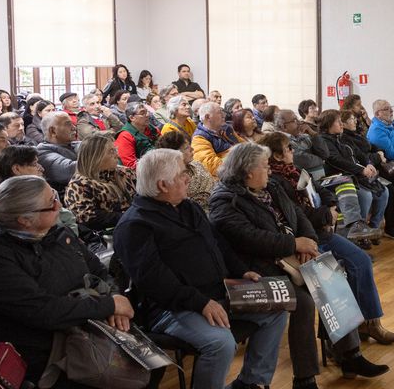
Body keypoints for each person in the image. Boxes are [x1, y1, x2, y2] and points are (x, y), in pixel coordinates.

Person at [209, 144, 389, 388]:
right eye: (264, 167)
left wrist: (310, 243)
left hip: (291, 258)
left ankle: (350, 356)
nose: (269, 172)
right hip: (256, 269)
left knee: (330, 277)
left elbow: (298, 215)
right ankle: (304, 379)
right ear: (247, 171)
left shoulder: (270, 187)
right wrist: (294, 244)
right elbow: (251, 238)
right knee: (303, 301)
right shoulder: (225, 201)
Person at [114, 149, 288, 389]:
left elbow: (218, 244)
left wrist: (240, 271)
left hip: (217, 293)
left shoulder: (188, 207)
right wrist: (201, 303)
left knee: (276, 310)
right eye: (183, 173)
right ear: (163, 185)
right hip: (172, 308)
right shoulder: (135, 225)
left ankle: (251, 383)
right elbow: (154, 282)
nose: (189, 177)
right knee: (220, 343)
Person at [0, 175, 135, 384]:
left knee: (145, 368)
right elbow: (44, 311)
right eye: (51, 203)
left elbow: (98, 270)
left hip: (85, 328)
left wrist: (115, 297)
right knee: (131, 378)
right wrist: (109, 305)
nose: (59, 204)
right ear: (25, 220)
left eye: (54, 194)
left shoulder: (58, 233)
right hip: (46, 355)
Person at [260, 132, 394, 345]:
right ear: (277, 156)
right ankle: (341, 344)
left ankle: (371, 322)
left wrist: (331, 205)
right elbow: (296, 216)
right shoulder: (274, 182)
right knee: (333, 273)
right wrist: (327, 215)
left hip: (321, 230)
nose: (293, 151)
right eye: (289, 148)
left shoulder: (294, 171)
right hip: (303, 241)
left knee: (361, 261)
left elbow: (319, 190)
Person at [0, 145, 80, 236]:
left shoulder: (45, 192)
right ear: (17, 169)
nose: (42, 169)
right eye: (35, 164)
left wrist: (70, 241)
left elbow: (67, 218)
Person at [316, 110, 384, 243]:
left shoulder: (340, 138)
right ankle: (356, 232)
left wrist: (368, 164)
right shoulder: (323, 141)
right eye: (338, 122)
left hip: (349, 177)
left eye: (342, 122)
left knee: (384, 191)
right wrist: (361, 170)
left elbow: (358, 154)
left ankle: (363, 231)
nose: (342, 125)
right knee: (365, 195)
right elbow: (336, 160)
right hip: (332, 179)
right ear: (328, 125)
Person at [340, 111, 394, 240]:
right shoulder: (345, 139)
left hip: (371, 166)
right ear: (344, 123)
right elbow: (359, 157)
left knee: (392, 185)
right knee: (385, 189)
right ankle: (371, 230)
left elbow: (370, 147)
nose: (356, 121)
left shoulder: (357, 134)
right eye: (352, 119)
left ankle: (375, 226)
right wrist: (377, 157)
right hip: (362, 171)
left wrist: (379, 153)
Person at [64, 134, 135, 231]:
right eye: (111, 151)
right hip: (109, 236)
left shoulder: (125, 172)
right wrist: (130, 216)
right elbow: (88, 218)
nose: (117, 155)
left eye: (115, 150)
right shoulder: (80, 185)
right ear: (95, 156)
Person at [156, 130, 214, 211]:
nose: (192, 149)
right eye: (187, 148)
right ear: (175, 155)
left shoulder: (196, 164)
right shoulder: (172, 180)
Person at [36, 111, 79, 194]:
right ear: (53, 131)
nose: (74, 128)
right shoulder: (42, 152)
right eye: (68, 124)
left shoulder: (74, 144)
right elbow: (70, 171)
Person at [192, 101, 238, 178]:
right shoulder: (199, 138)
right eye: (220, 112)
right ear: (207, 117)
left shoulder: (226, 129)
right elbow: (212, 166)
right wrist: (240, 162)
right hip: (228, 177)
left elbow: (244, 144)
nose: (224, 115)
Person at [115, 101, 158, 170]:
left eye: (147, 112)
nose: (147, 115)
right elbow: (130, 166)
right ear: (132, 118)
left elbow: (164, 144)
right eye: (142, 113)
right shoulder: (125, 136)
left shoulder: (151, 128)